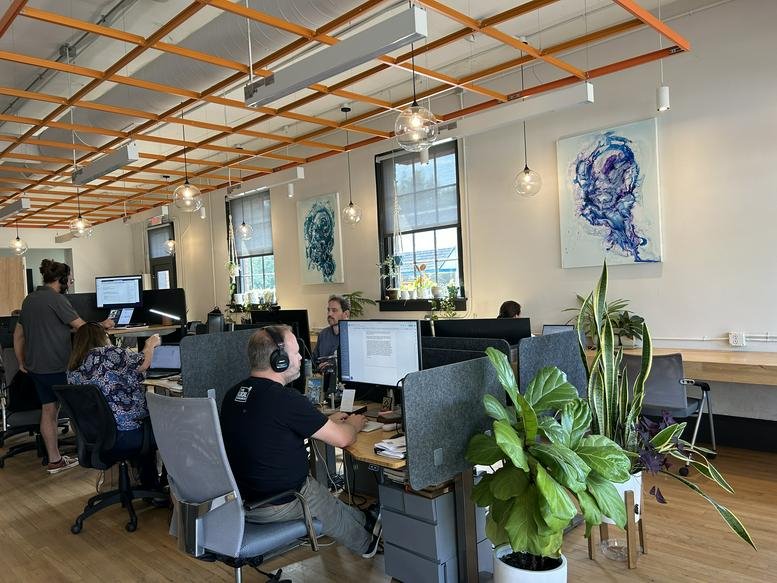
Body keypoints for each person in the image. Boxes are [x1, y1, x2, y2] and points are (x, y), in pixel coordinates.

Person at [220, 325, 382, 558]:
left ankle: (364, 519)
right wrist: (353, 424)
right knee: (322, 499)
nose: (300, 357)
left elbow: (269, 431)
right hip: (282, 501)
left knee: (324, 495)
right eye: (296, 353)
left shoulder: (234, 394)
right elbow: (344, 439)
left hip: (244, 501)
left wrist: (322, 421)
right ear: (279, 361)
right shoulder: (285, 399)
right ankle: (369, 545)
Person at [13, 259, 115, 473]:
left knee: (48, 411)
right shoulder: (57, 299)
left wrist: (21, 362)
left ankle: (55, 460)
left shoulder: (29, 300)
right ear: (61, 279)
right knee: (80, 409)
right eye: (69, 278)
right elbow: (82, 328)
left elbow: (19, 334)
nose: (71, 281)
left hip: (36, 368)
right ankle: (90, 455)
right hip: (59, 366)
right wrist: (103, 325)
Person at [66, 324, 162, 490]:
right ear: (103, 336)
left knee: (144, 423)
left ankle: (148, 487)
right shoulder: (107, 353)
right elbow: (143, 364)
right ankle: (158, 489)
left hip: (96, 437)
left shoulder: (73, 368)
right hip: (124, 434)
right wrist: (151, 344)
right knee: (166, 426)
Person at [312, 295, 351, 372]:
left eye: (334, 310)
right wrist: (317, 367)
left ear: (346, 314)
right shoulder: (323, 334)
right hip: (325, 378)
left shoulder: (353, 335)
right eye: (328, 310)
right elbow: (314, 361)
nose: (329, 314)